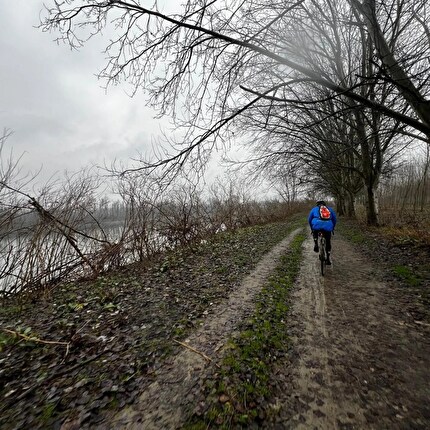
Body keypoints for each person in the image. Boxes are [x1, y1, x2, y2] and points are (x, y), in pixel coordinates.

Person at [308, 200, 337, 265]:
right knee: (328, 241)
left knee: (315, 231)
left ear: (317, 205)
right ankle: (328, 258)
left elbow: (309, 219)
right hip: (328, 226)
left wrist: (311, 228)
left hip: (316, 225)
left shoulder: (314, 209)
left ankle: (316, 243)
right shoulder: (330, 209)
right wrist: (332, 227)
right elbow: (334, 219)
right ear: (325, 205)